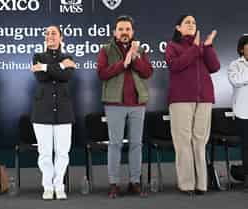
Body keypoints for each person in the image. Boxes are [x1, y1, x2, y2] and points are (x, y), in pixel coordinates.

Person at [97, 15, 153, 198]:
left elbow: (147, 72)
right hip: (115, 103)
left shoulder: (140, 49)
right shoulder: (106, 50)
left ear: (132, 32)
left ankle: (134, 182)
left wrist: (135, 58)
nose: (124, 32)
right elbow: (102, 73)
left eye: (127, 29)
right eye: (121, 29)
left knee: (136, 144)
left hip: (137, 104)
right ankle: (114, 184)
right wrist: (124, 63)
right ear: (115, 32)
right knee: (115, 144)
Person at [164, 15, 220, 195]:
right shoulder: (172, 46)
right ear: (178, 27)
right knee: (183, 142)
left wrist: (208, 47)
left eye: (194, 23)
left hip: (204, 99)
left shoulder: (203, 47)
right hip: (181, 99)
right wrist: (195, 48)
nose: (191, 25)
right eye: (187, 22)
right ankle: (187, 184)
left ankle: (201, 184)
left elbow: (214, 67)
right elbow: (175, 65)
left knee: (200, 141)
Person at [30, 25, 76, 200]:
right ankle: (47, 186)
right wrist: (60, 66)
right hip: (42, 110)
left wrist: (46, 68)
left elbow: (66, 77)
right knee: (45, 152)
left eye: (54, 33)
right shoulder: (38, 56)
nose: (50, 36)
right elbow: (41, 78)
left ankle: (59, 185)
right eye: (47, 33)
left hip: (64, 110)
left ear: (61, 37)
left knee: (63, 152)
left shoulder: (68, 57)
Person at [228, 34, 248, 192]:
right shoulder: (234, 65)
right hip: (243, 112)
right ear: (242, 49)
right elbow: (236, 80)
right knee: (246, 147)